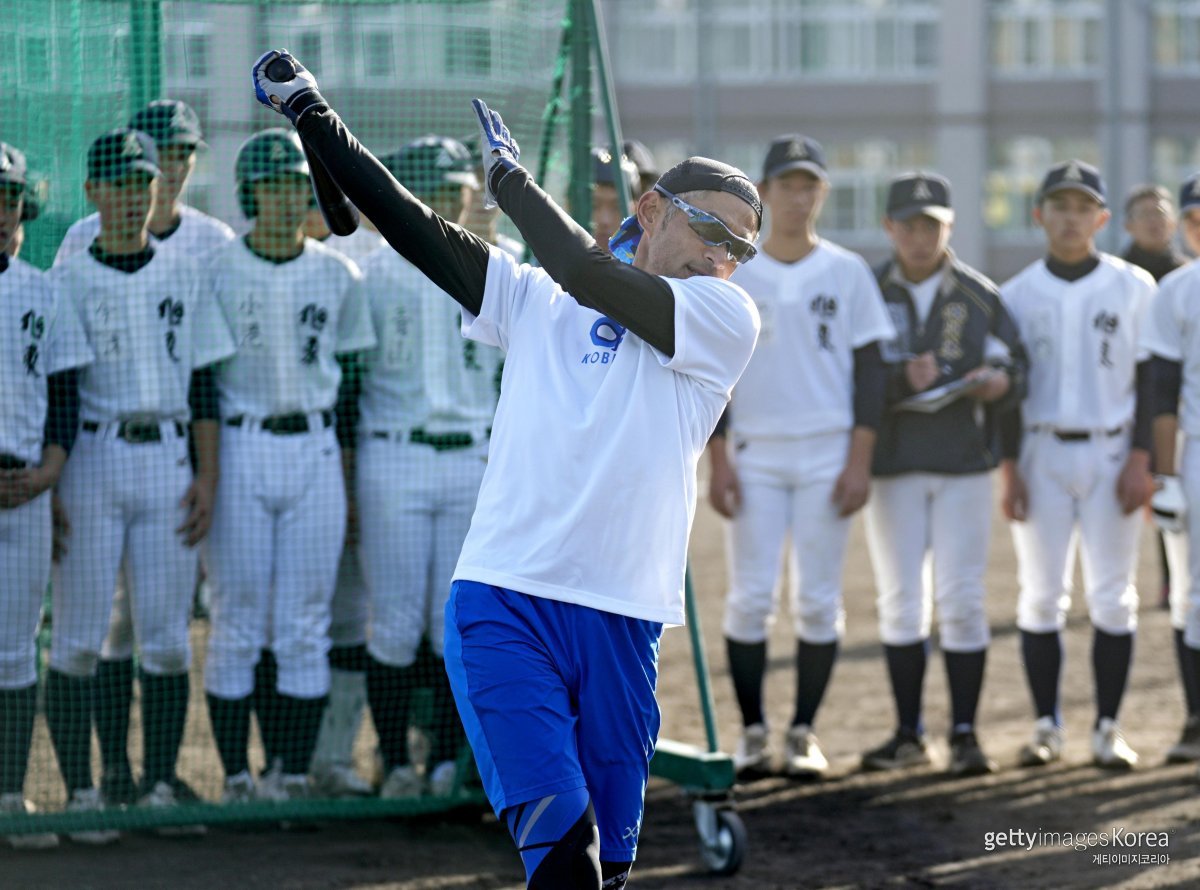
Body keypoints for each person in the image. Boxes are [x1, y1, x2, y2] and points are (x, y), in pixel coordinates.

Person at [252, 48, 760, 889]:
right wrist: (312, 112)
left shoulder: (723, 314)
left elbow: (586, 270)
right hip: (505, 600)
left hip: (623, 619)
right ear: (652, 209)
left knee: (610, 874)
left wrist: (510, 184)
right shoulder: (532, 299)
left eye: (739, 246)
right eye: (710, 229)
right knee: (562, 859)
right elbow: (416, 227)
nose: (723, 256)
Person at [47, 129, 234, 837]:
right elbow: (57, 391)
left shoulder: (185, 273)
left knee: (162, 639)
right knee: (78, 639)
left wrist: (208, 475)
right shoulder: (67, 279)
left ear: (157, 189)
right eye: (117, 183)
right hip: (91, 461)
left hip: (166, 460)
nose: (132, 196)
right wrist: (56, 482)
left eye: (143, 183)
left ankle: (157, 787)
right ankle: (83, 795)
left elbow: (205, 384)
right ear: (91, 191)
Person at [707, 134, 893, 780]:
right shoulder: (735, 266)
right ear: (763, 193)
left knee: (817, 600)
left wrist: (860, 459)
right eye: (786, 184)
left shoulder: (846, 271)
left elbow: (872, 373)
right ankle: (755, 732)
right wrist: (720, 459)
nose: (797, 195)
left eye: (809, 183)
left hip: (827, 453)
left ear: (823, 193)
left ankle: (803, 731)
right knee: (750, 598)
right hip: (754, 453)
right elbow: (715, 370)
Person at [201, 128, 375, 803]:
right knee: (239, 619)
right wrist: (209, 474)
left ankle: (292, 773)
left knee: (305, 619)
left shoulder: (338, 274)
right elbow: (202, 386)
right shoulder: (219, 268)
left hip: (316, 447)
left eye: (294, 185)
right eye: (269, 185)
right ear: (248, 193)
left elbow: (353, 387)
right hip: (244, 445)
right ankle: (240, 779)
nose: (282, 198)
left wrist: (351, 481)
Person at [859, 173, 1028, 776]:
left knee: (962, 599)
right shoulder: (868, 288)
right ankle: (908, 733)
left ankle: (964, 734)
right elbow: (850, 379)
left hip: (962, 464)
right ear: (889, 228)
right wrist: (903, 381)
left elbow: (1020, 369)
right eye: (907, 223)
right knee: (901, 600)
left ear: (949, 228)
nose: (919, 235)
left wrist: (1003, 384)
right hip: (895, 465)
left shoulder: (981, 295)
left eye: (930, 224)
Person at [355, 137, 502, 800]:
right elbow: (347, 381)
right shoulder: (370, 269)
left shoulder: (499, 268)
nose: (452, 203)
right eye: (436, 192)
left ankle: (446, 760)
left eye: (458, 191)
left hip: (471, 456)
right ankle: (391, 764)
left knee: (457, 621)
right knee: (392, 620)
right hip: (393, 453)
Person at [999, 160, 1155, 770]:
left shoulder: (1134, 286)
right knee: (1040, 596)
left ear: (1102, 218)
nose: (1070, 217)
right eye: (1058, 205)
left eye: (1082, 206)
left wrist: (1142, 458)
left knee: (1115, 596)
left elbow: (1152, 378)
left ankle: (1108, 727)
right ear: (1039, 214)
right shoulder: (1015, 293)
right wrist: (1010, 469)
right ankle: (1046, 726)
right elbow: (1011, 392)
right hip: (1040, 449)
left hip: (1113, 448)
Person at [0, 143, 93, 850]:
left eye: (10, 199)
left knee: (13, 652)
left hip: (27, 486)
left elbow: (65, 394)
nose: (3, 213)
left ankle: (9, 796)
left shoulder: (44, 289)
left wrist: (51, 470)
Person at [1138, 172, 1200, 765]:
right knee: (1194, 592)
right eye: (1197, 218)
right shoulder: (1176, 290)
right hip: (1197, 448)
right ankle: (1196, 718)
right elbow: (1161, 389)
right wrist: (1167, 474)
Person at [55, 100, 233, 263]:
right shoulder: (83, 236)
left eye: (183, 155)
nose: (175, 167)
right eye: (163, 153)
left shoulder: (216, 240)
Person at [1121, 184, 1186, 614]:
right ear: (1128, 224)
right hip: (1124, 399)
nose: (1154, 220)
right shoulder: (1117, 275)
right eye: (1145, 213)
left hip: (1175, 406)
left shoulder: (1184, 273)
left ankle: (1170, 580)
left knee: (1170, 494)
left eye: (1160, 213)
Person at [589, 146, 639, 252]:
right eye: (593, 206)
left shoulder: (648, 266)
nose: (604, 221)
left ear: (636, 210)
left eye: (617, 208)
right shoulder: (548, 264)